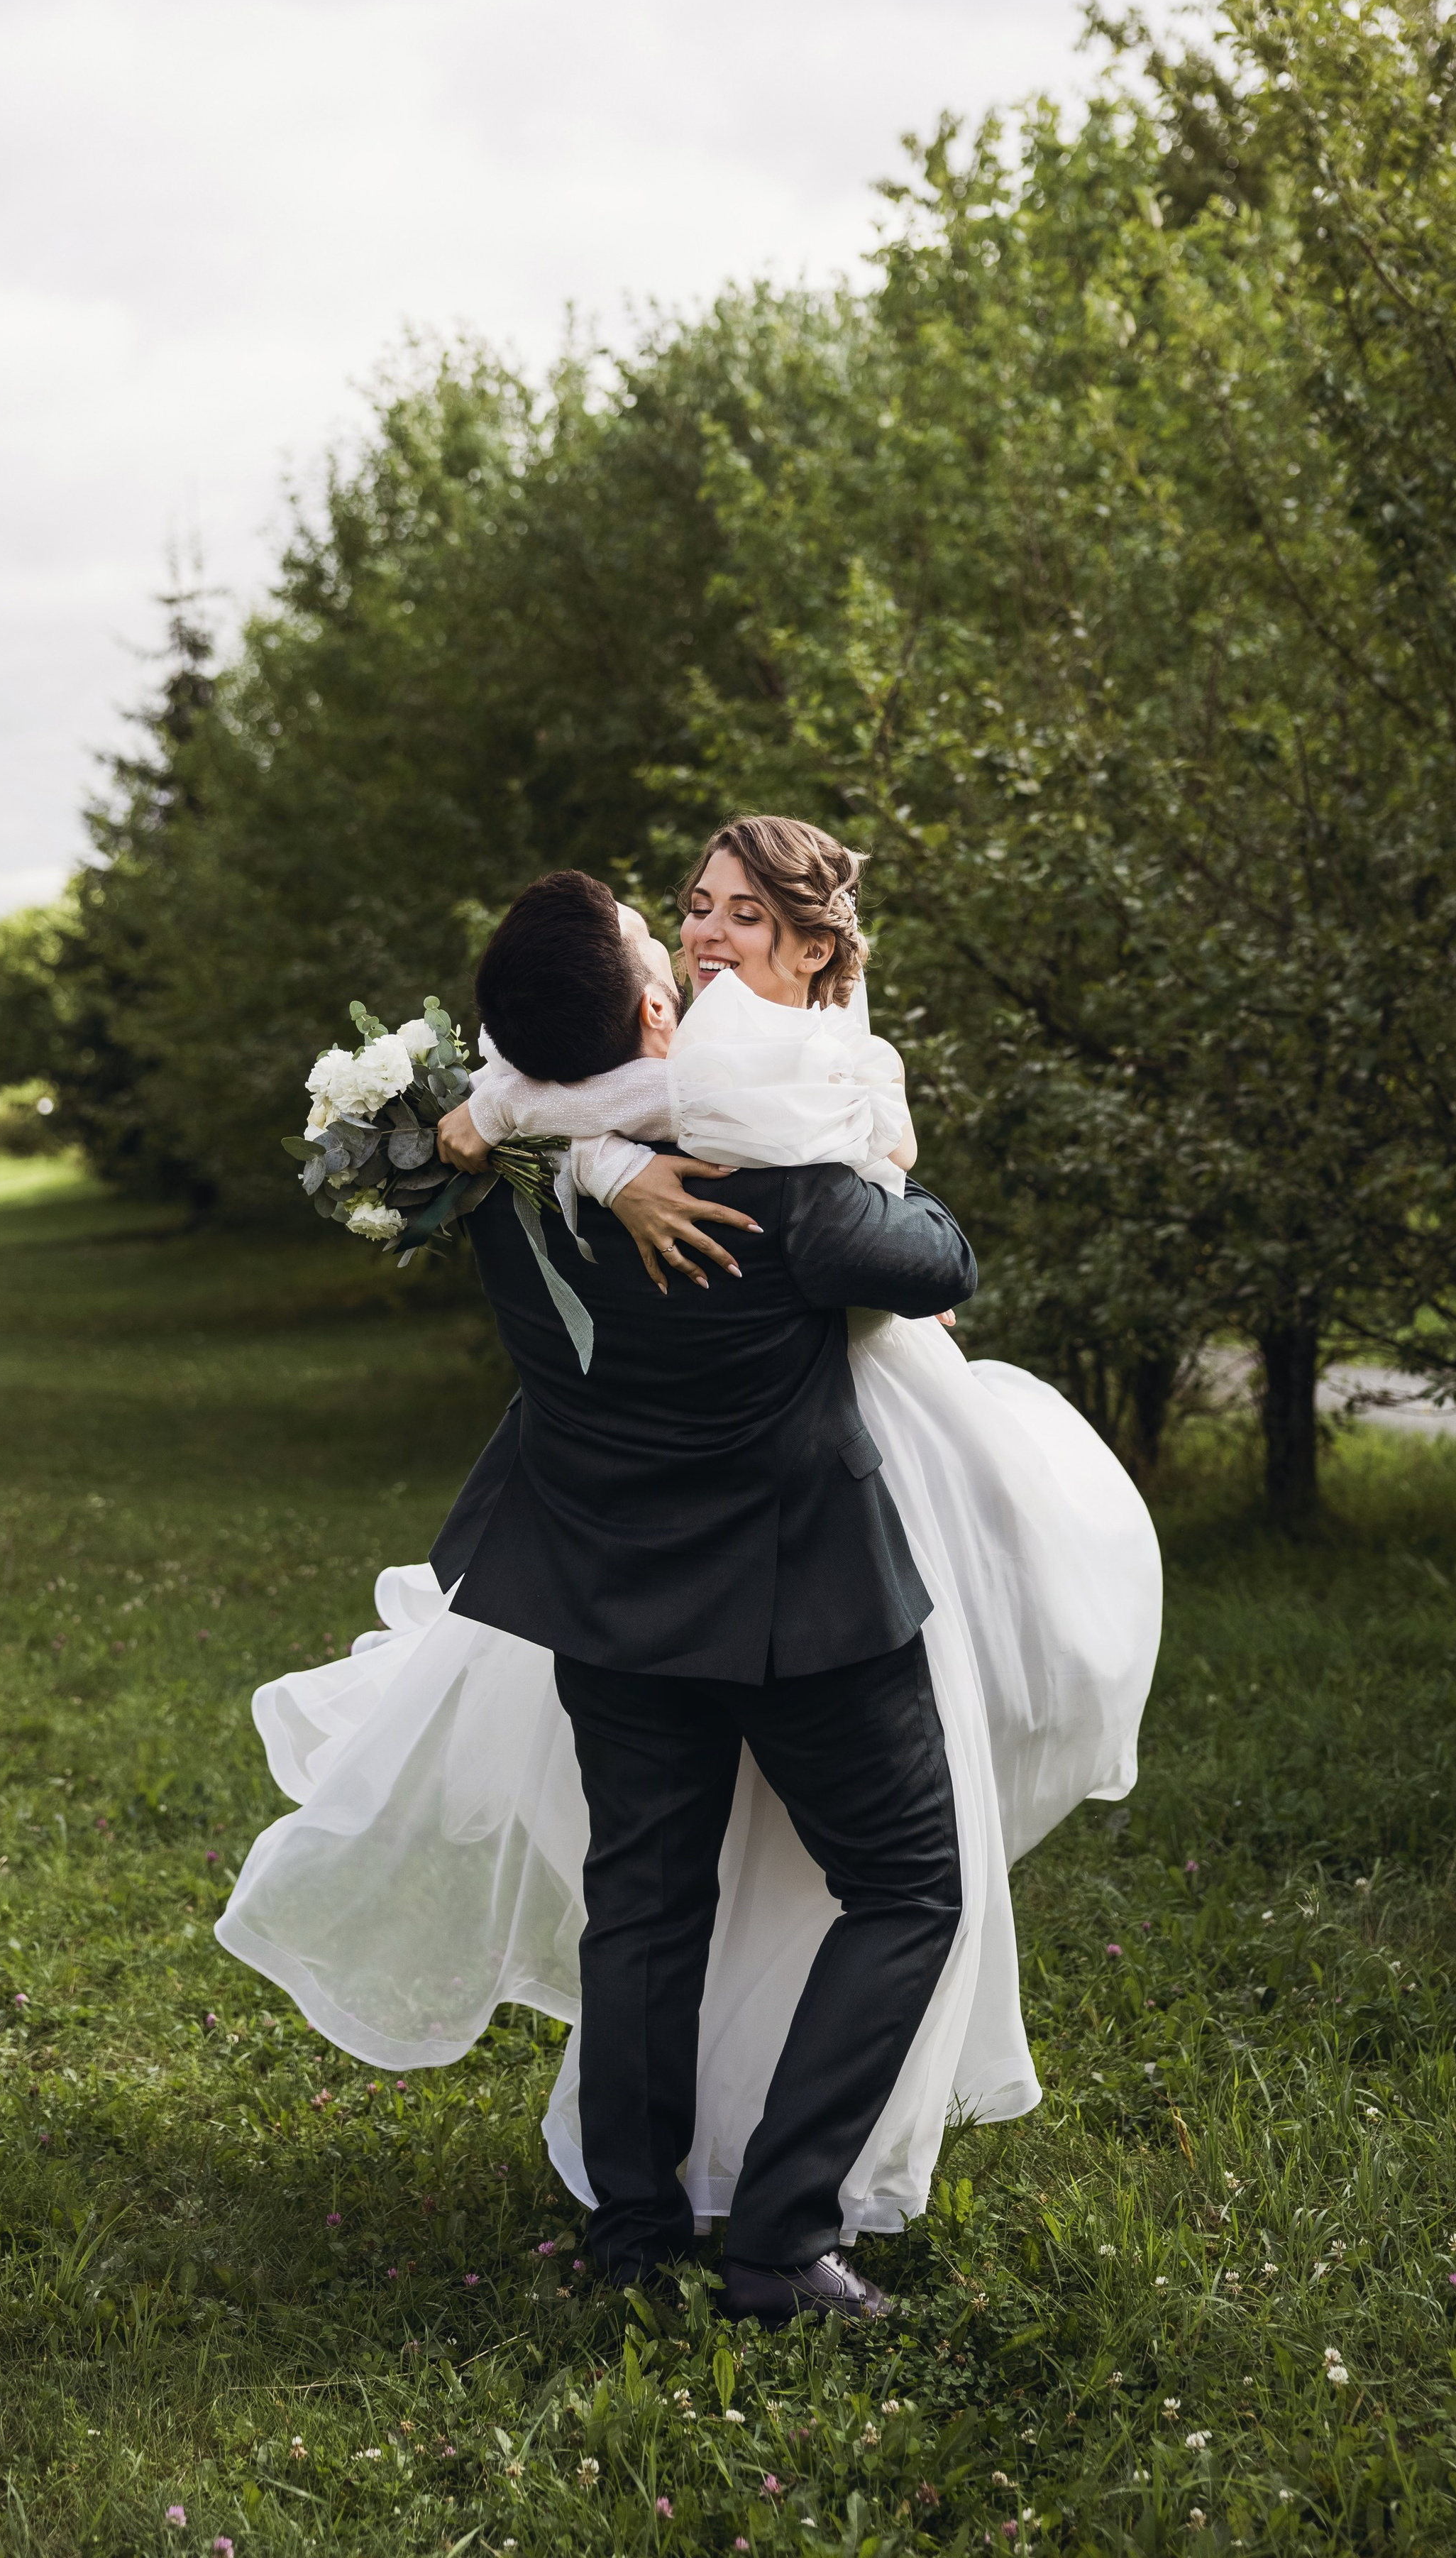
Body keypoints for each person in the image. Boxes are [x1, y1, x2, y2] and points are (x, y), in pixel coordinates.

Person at [218, 825, 1162, 2318]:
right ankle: (783, 2238)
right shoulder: (778, 1174)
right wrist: (869, 1138)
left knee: (641, 1906)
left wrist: (579, 1147)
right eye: (675, 941)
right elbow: (941, 1265)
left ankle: (636, 2236)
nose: (695, 950)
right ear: (655, 1017)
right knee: (909, 1887)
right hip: (803, 1603)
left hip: (600, 1592)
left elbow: (451, 1138)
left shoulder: (495, 1164)